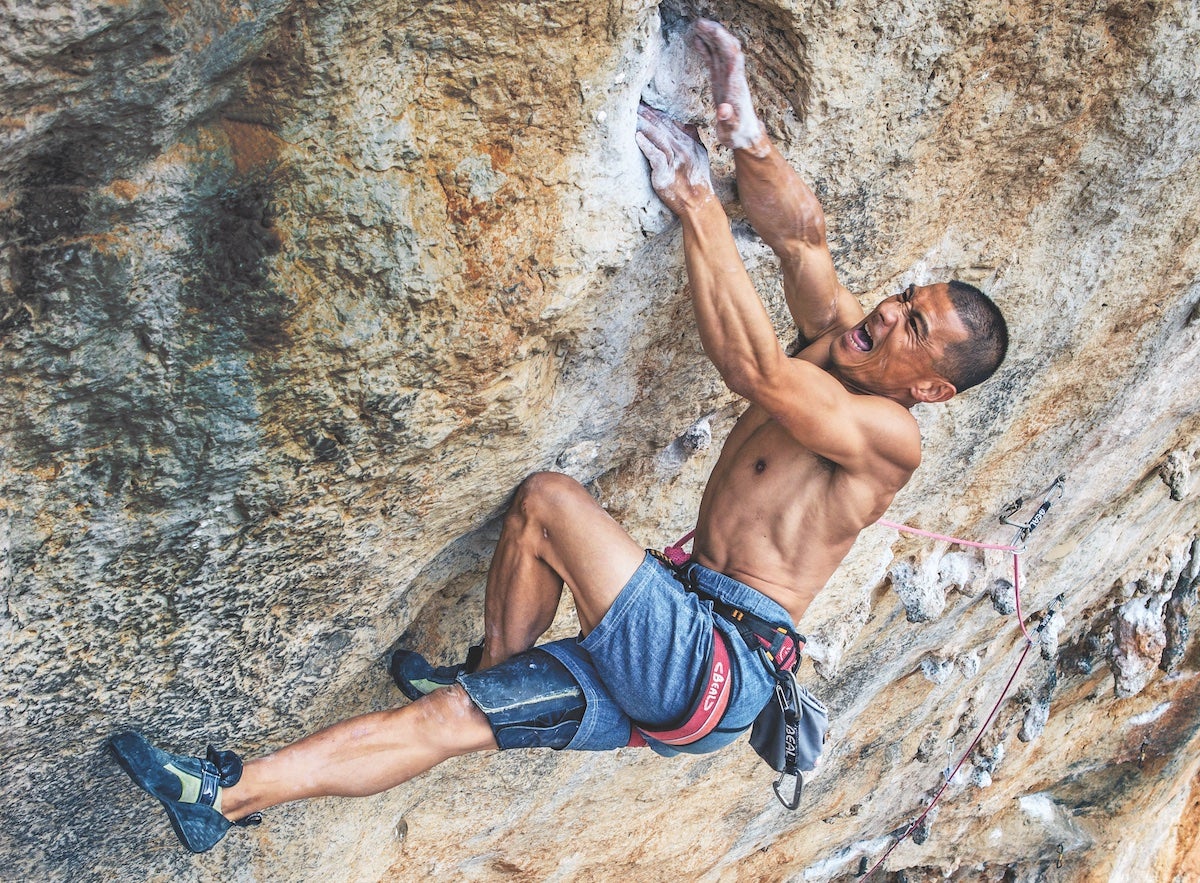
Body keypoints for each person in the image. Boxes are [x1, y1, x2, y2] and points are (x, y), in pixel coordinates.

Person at [110, 19, 1007, 853]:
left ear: (929, 386)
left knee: (548, 503)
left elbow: (759, 374)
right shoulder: (851, 341)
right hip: (684, 650)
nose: (890, 314)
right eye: (907, 299)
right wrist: (746, 130)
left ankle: (494, 665)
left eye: (914, 331)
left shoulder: (890, 437)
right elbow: (801, 237)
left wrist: (696, 201)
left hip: (712, 664)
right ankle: (222, 795)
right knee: (455, 717)